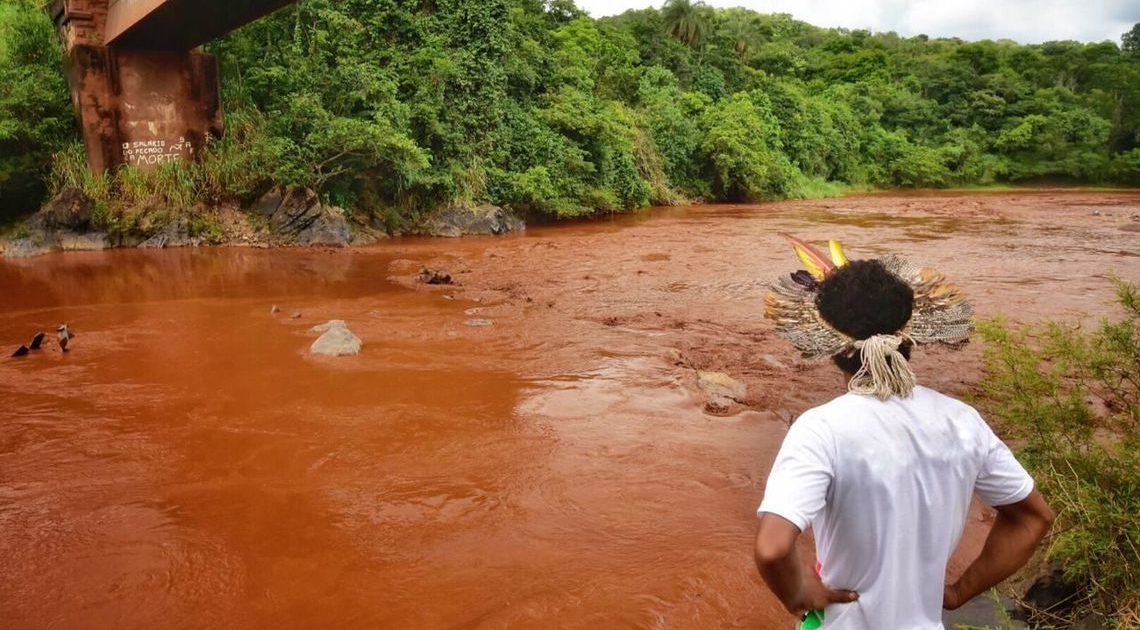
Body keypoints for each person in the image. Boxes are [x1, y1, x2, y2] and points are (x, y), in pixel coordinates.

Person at [754, 237, 1054, 629]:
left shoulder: (821, 429)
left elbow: (773, 549)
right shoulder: (962, 421)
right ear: (909, 335)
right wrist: (960, 591)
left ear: (830, 346)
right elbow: (1033, 518)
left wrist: (797, 592)